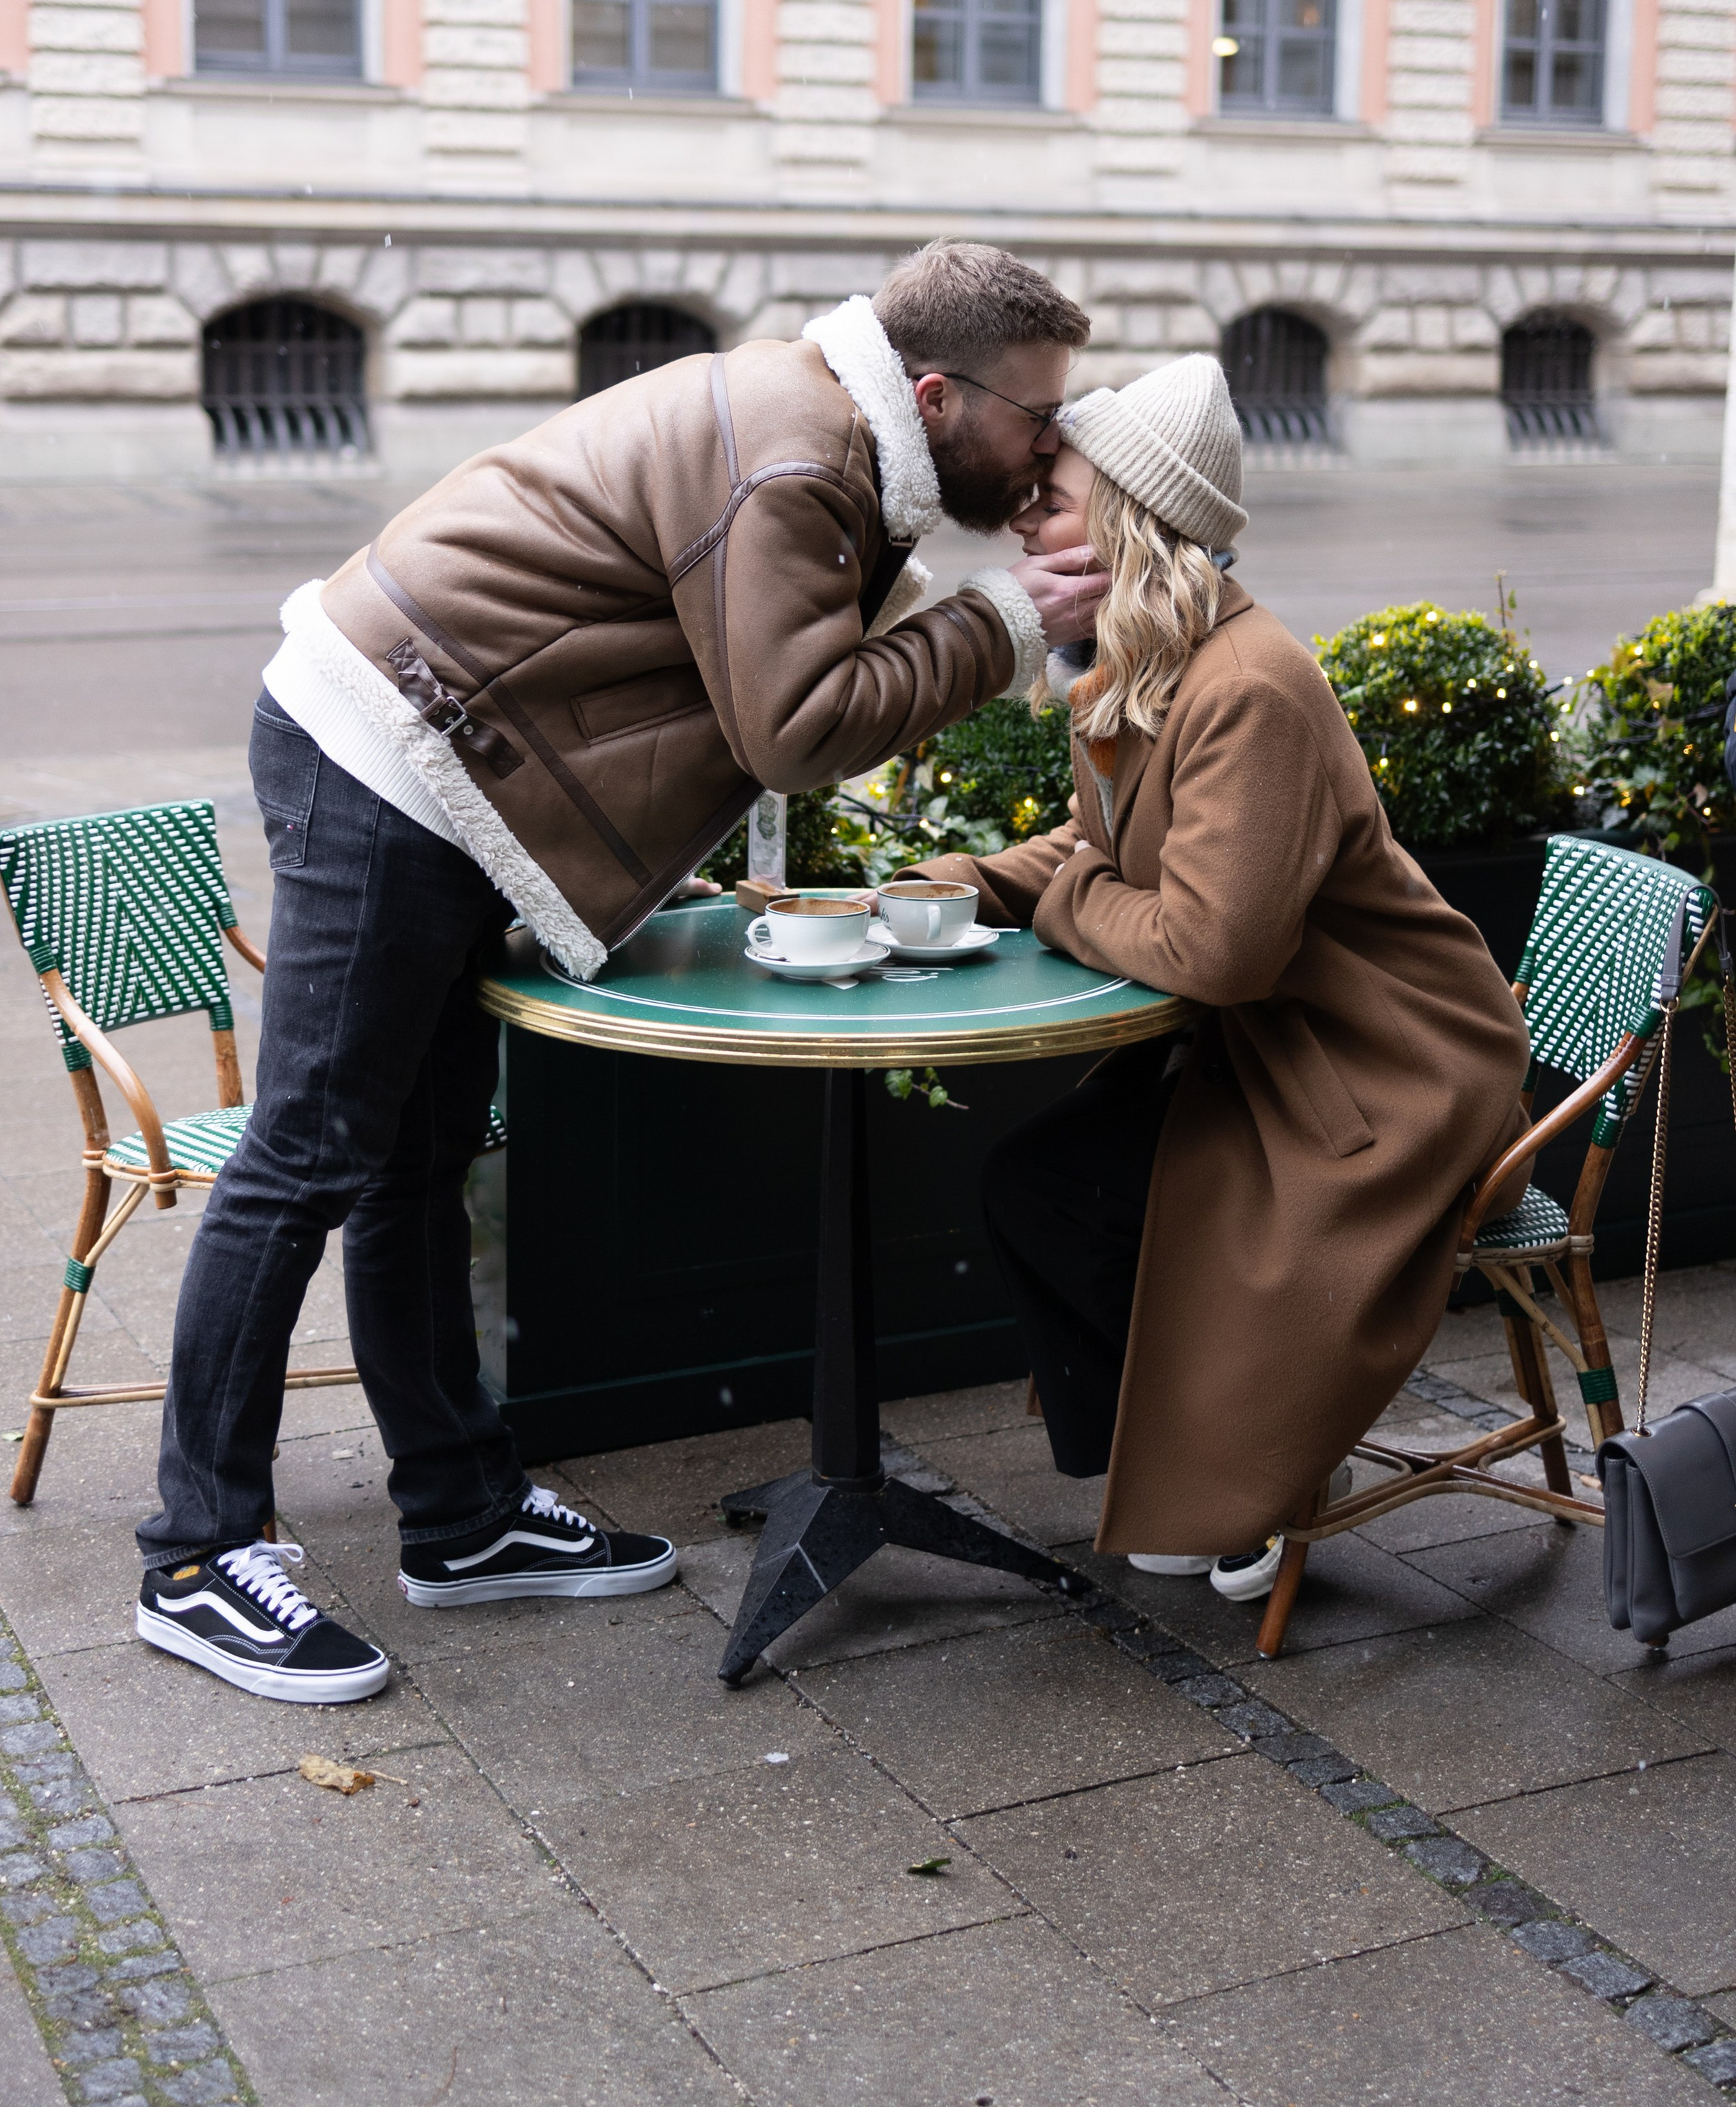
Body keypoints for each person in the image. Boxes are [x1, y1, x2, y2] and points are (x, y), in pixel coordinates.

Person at [134, 241, 1109, 1702]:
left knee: (413, 1164)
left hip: (449, 761)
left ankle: (458, 1518)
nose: (1050, 446)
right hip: (389, 755)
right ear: (932, 392)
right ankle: (197, 1555)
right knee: (310, 1157)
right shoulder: (794, 455)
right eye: (1037, 416)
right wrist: (1008, 623)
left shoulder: (824, 429)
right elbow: (794, 721)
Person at [912, 354, 1530, 1605]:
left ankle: (1265, 1467)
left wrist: (1070, 893)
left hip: (1385, 1063)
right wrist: (962, 878)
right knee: (1041, 1188)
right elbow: (1103, 849)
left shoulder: (1248, 687)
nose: (1022, 515)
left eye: (1051, 492)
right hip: (1270, 1044)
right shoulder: (1152, 663)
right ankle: (1177, 1461)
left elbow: (1215, 948)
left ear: (1139, 518)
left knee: (1124, 1200)